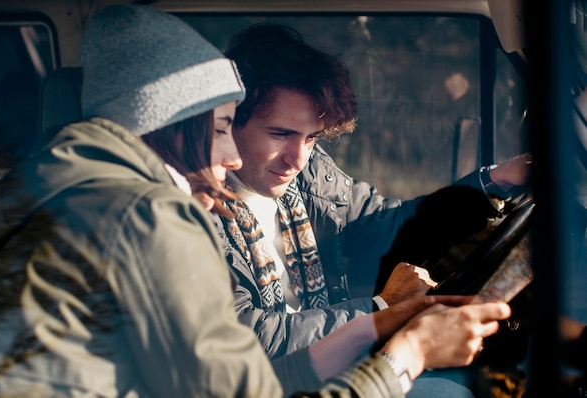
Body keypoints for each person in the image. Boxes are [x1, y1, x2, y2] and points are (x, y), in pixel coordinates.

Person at [0, 5, 512, 397]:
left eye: (313, 139)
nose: (228, 159)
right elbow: (252, 362)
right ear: (175, 127)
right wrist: (402, 344)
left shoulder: (88, 194)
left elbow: (240, 382)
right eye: (225, 127)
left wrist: (491, 185)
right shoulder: (152, 217)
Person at [212, 22, 532, 393]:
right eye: (280, 134)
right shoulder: (199, 208)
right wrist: (381, 306)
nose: (297, 159)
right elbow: (249, 339)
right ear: (229, 122)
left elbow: (389, 223)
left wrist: (493, 182)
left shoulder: (309, 176)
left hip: (336, 369)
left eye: (312, 138)